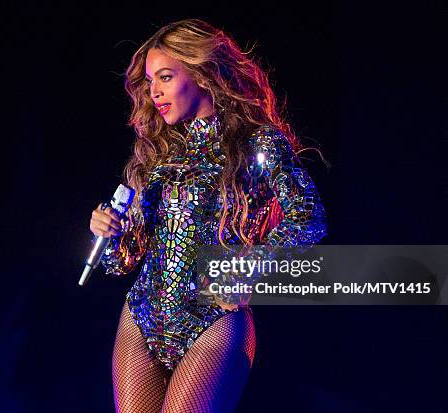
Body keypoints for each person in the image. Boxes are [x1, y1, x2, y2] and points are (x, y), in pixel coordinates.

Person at [89, 19, 327, 413]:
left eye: (165, 76)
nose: (155, 91)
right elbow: (121, 263)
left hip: (214, 320)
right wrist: (111, 232)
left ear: (202, 73)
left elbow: (308, 218)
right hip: (142, 315)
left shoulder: (257, 143)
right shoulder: (158, 153)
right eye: (150, 81)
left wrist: (251, 268)